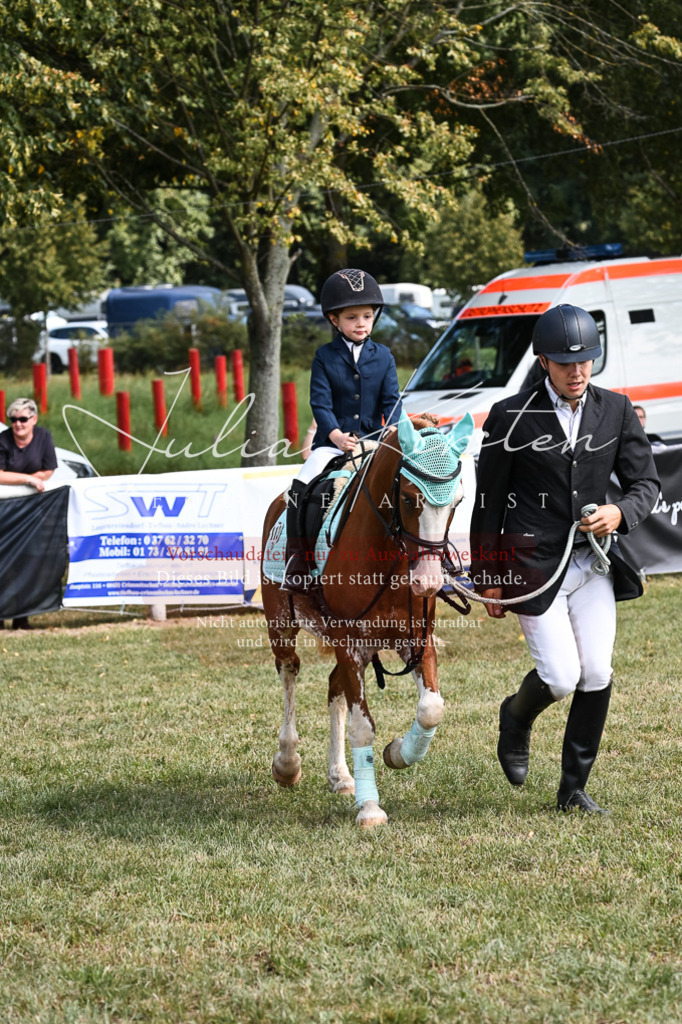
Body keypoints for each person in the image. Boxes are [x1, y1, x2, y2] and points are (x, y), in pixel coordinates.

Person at [469, 305, 660, 814]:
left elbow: (646, 484)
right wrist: (488, 577)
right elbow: (488, 500)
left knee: (596, 671)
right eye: (565, 363)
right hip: (533, 566)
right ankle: (516, 717)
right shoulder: (509, 416)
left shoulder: (616, 410)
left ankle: (573, 789)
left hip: (593, 563)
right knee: (559, 677)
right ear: (543, 360)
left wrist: (621, 512)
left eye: (586, 362)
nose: (577, 372)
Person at [282, 269, 402, 591]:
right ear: (334, 320)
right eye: (352, 317)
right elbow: (319, 403)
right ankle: (297, 559)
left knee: (410, 483)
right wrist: (334, 434)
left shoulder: (385, 357)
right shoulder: (324, 356)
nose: (361, 323)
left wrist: (390, 433)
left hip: (374, 443)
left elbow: (392, 402)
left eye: (367, 315)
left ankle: (426, 556)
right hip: (332, 444)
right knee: (302, 484)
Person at [0, 397, 58, 629]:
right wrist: (28, 480)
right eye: (13, 419)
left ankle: (22, 617)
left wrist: (35, 481)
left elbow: (49, 469)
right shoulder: (2, 440)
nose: (18, 424)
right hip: (5, 508)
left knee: (28, 560)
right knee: (4, 562)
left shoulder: (44, 437)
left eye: (23, 419)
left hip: (33, 510)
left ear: (34, 419)